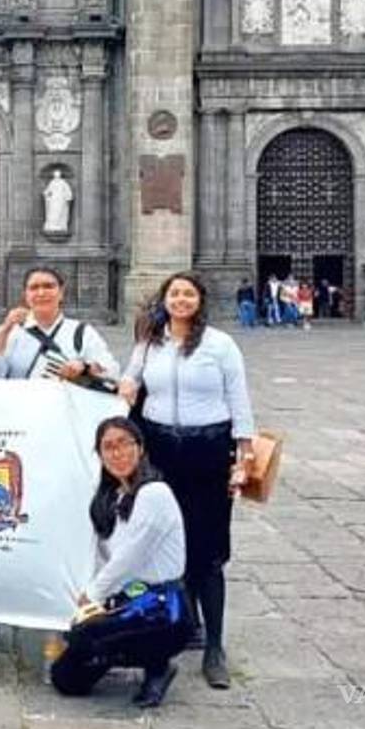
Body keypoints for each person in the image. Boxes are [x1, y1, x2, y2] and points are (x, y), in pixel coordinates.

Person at [0, 265, 119, 649]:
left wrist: (83, 367)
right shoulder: (15, 333)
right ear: (25, 294)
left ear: (61, 291)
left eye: (48, 286)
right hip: (21, 441)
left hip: (64, 445)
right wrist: (3, 329)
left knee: (57, 523)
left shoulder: (82, 333)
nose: (41, 293)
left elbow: (113, 374)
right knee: (2, 525)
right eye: (34, 287)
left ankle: (62, 604)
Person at [118, 270, 255, 689]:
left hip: (208, 451)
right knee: (163, 541)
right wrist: (122, 386)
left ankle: (214, 648)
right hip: (159, 453)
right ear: (165, 300)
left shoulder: (220, 345)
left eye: (188, 294)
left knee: (207, 551)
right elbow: (130, 382)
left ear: (200, 300)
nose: (180, 300)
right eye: (174, 294)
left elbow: (239, 399)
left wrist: (243, 455)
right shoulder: (149, 343)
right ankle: (182, 627)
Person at [50, 417, 192, 708]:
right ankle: (115, 650)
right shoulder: (111, 497)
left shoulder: (155, 494)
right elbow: (104, 558)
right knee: (65, 678)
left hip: (163, 605)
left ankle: (158, 665)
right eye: (108, 448)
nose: (118, 453)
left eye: (125, 444)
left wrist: (90, 597)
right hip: (127, 597)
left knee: (85, 633)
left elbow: (128, 558)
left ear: (140, 448)